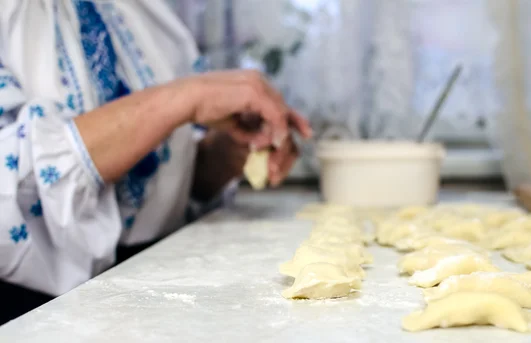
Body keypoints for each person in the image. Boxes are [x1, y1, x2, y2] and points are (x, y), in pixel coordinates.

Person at [0, 0, 312, 324]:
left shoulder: (145, 13)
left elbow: (171, 186)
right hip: (31, 312)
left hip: (158, 290)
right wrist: (185, 98)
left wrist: (226, 153)